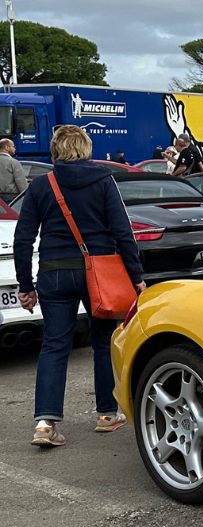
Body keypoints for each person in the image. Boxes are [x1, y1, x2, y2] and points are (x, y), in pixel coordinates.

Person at [14, 126, 145, 447]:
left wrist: (25, 284)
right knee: (102, 342)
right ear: (86, 149)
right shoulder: (103, 180)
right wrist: (136, 275)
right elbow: (122, 231)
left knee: (54, 346)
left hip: (54, 274)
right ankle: (106, 414)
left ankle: (45, 424)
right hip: (99, 274)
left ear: (56, 151)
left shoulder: (41, 185)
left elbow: (23, 238)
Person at [0, 137, 28, 203]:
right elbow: (21, 184)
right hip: (11, 198)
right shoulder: (13, 162)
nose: (14, 149)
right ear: (7, 147)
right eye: (13, 146)